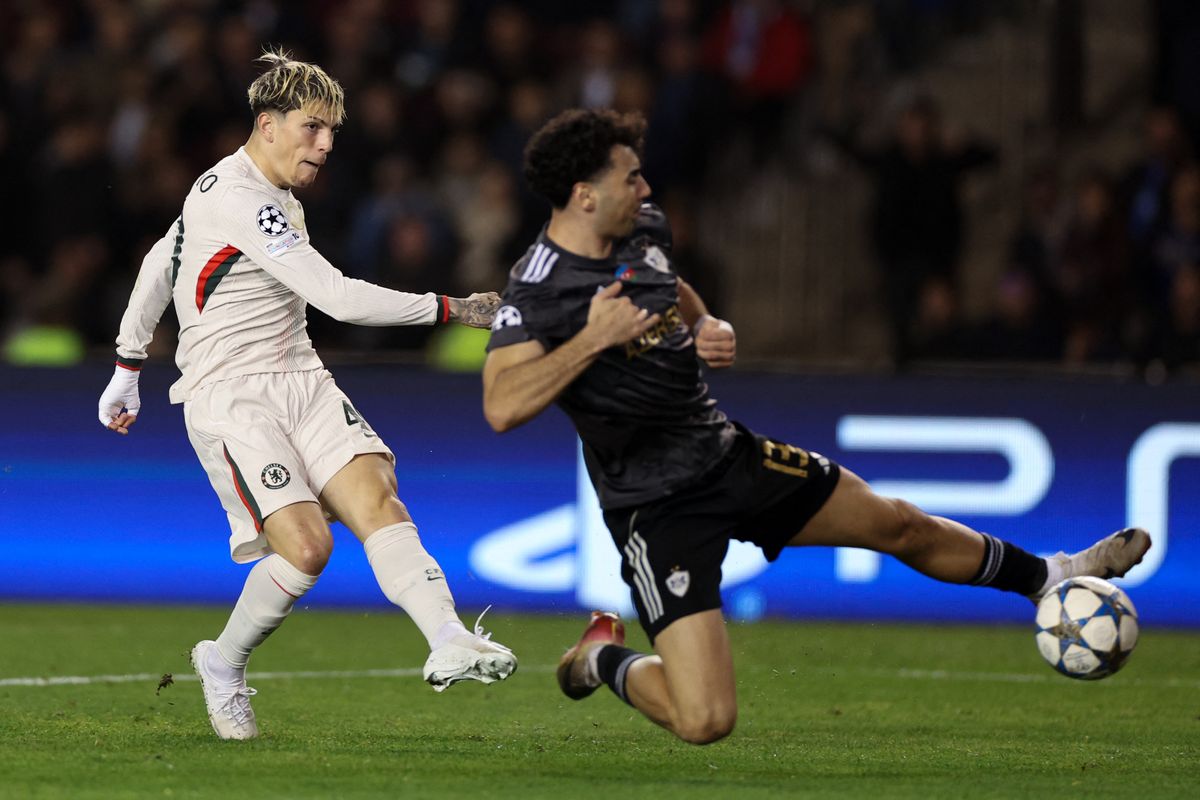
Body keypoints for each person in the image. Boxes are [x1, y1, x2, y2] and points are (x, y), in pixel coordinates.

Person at [480, 108, 1152, 745]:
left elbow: (669, 284)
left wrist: (704, 322)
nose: (645, 185)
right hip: (657, 506)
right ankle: (603, 662)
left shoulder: (646, 226)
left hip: (729, 455)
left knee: (899, 524)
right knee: (705, 720)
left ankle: (1051, 576)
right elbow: (502, 406)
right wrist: (590, 341)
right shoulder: (538, 290)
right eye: (629, 175)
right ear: (583, 195)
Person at [97, 51, 516, 741]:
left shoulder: (253, 195)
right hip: (231, 395)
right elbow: (336, 296)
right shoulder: (237, 197)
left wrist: (127, 363)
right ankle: (222, 664)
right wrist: (454, 309)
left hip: (303, 378)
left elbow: (158, 261)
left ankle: (448, 637)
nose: (324, 145)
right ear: (268, 124)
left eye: (332, 133)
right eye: (312, 128)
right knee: (308, 548)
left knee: (377, 494)